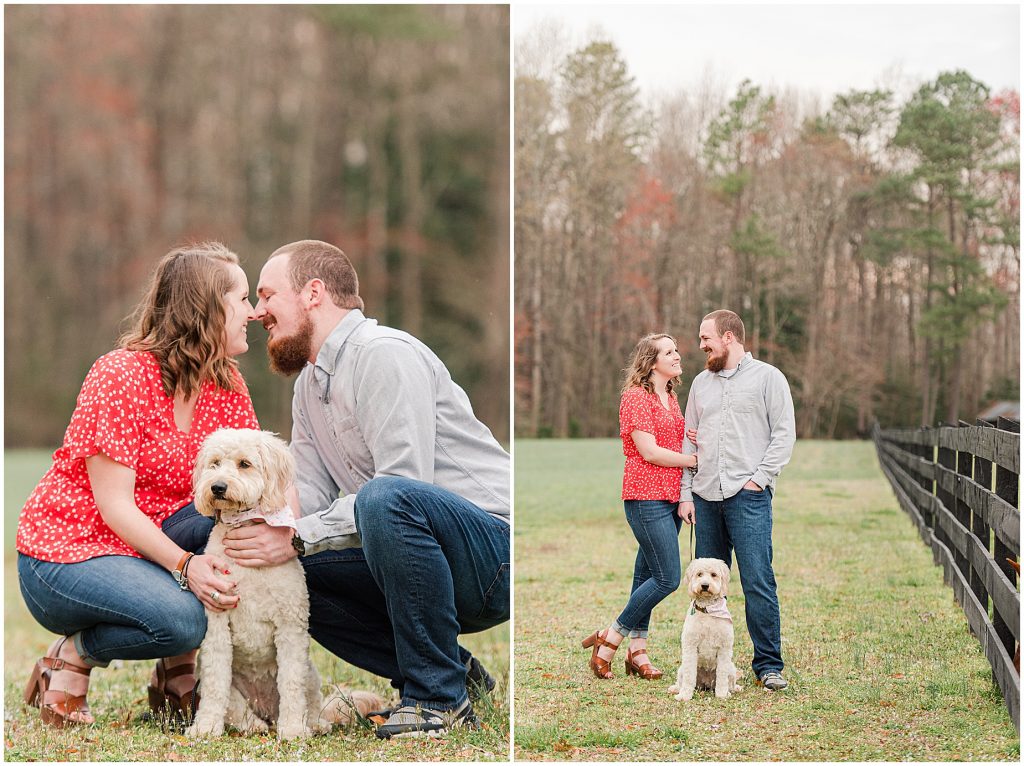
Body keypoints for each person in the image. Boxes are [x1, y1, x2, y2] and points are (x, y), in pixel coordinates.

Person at [187, 239, 510, 739]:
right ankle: (456, 673)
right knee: (294, 575)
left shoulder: (384, 357)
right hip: (420, 555)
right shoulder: (308, 385)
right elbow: (308, 496)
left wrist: (293, 536)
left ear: (313, 292)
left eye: (269, 295)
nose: (257, 312)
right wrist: (271, 537)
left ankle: (438, 701)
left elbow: (404, 487)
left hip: (494, 554)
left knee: (384, 498)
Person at [16, 243, 259, 728]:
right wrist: (188, 567)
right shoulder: (120, 375)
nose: (252, 312)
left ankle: (177, 672)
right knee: (183, 620)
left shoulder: (227, 385)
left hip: (157, 542)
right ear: (206, 309)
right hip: (72, 551)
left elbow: (252, 482)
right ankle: (73, 654)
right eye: (242, 299)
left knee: (239, 527)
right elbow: (116, 509)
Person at [678, 309, 795, 691]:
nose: (700, 346)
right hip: (705, 495)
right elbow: (689, 440)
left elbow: (783, 434)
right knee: (705, 588)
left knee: (758, 579)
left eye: (705, 338)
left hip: (748, 497)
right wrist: (686, 493)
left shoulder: (768, 378)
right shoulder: (700, 384)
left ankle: (768, 665)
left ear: (728, 337)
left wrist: (758, 480)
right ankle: (705, 672)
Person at [582, 334, 697, 681]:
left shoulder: (672, 397)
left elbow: (677, 439)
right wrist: (692, 460)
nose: (677, 356)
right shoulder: (635, 397)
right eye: (669, 352)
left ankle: (638, 651)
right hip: (644, 495)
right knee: (667, 578)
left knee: (645, 576)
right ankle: (611, 637)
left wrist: (684, 493)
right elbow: (649, 451)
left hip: (670, 496)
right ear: (651, 360)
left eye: (676, 350)